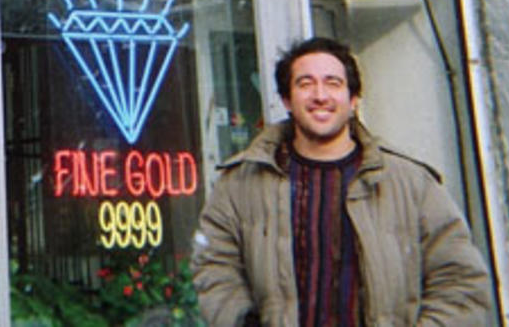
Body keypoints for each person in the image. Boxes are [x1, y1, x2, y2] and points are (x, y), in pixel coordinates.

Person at [190, 36, 491, 326]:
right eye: (305, 84)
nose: (320, 95)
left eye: (333, 83)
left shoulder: (410, 183)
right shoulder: (241, 183)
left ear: (354, 99)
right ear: (286, 100)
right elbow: (213, 267)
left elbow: (460, 281)